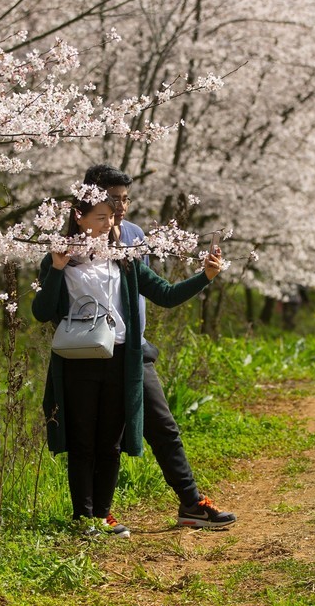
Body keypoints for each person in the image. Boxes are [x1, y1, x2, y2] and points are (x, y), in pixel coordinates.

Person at [33, 186, 223, 538]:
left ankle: (103, 515)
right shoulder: (59, 258)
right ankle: (83, 518)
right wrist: (58, 269)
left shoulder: (125, 258)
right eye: (101, 218)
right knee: (82, 441)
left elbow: (165, 294)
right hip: (78, 359)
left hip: (120, 357)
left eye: (111, 217)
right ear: (80, 218)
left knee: (110, 442)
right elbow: (41, 312)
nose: (109, 224)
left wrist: (205, 277)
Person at [82, 164, 237, 529]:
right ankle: (94, 514)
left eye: (124, 199)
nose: (120, 207)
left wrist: (205, 276)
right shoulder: (77, 239)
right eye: (111, 200)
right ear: (90, 199)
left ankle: (191, 503)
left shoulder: (134, 235)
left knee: (164, 428)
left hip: (134, 351)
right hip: (94, 355)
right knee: (105, 440)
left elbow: (157, 292)